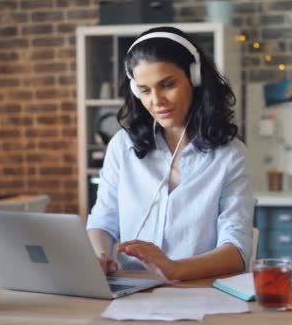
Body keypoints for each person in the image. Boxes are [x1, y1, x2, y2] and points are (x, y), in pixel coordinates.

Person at [86, 26, 255, 281]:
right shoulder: (122, 146)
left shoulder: (230, 156)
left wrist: (174, 268)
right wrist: (100, 257)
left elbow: (237, 251)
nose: (156, 100)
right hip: (131, 292)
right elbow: (103, 222)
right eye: (145, 90)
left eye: (167, 85)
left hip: (199, 293)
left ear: (194, 78)